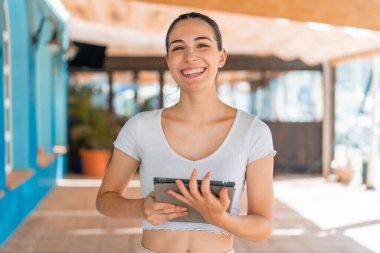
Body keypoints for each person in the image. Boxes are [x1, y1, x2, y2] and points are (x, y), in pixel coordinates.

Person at [96, 12, 276, 253]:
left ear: (221, 56)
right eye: (178, 48)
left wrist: (221, 218)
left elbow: (263, 228)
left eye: (202, 45)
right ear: (169, 61)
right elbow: (105, 200)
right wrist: (142, 208)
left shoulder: (253, 132)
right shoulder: (140, 127)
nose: (190, 56)